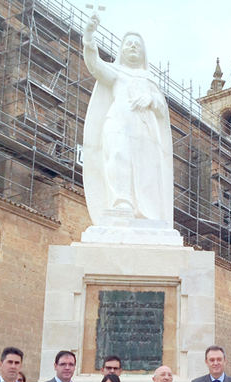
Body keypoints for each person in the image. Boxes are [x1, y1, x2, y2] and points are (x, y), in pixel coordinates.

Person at [82, 12, 173, 227]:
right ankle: (122, 202)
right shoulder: (115, 71)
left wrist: (151, 99)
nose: (133, 47)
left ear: (143, 53)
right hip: (118, 122)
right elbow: (94, 65)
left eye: (137, 45)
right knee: (118, 156)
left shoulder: (150, 80)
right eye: (129, 44)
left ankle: (146, 211)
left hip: (144, 130)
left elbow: (162, 109)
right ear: (122, 50)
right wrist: (88, 36)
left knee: (146, 168)